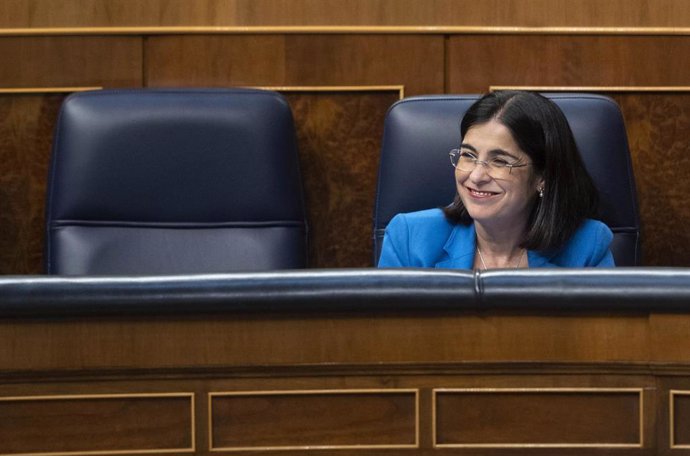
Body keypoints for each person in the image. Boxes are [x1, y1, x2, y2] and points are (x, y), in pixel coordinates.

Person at [378, 91, 614, 269]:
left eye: (500, 161)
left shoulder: (587, 245)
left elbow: (604, 334)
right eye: (468, 155)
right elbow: (386, 333)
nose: (477, 176)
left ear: (543, 177)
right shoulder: (409, 238)